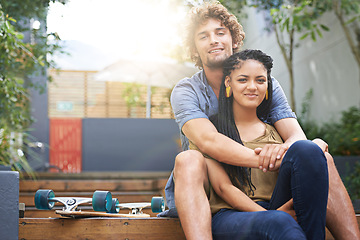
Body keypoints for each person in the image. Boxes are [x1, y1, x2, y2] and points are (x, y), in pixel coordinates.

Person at [160, 2, 360, 240]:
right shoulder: (187, 90)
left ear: (234, 39)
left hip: (269, 190)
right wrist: (270, 158)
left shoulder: (265, 83)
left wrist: (303, 151)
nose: (213, 40)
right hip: (212, 190)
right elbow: (209, 141)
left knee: (320, 156)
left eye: (220, 32)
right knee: (189, 159)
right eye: (203, 36)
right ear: (194, 48)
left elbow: (296, 137)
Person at [192, 49, 328, 239]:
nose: (252, 86)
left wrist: (317, 145)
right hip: (230, 215)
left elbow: (304, 162)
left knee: (306, 148)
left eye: (260, 80)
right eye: (243, 80)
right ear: (228, 83)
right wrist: (271, 215)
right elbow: (224, 188)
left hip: (277, 207)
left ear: (267, 86)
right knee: (280, 221)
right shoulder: (212, 132)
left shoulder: (277, 132)